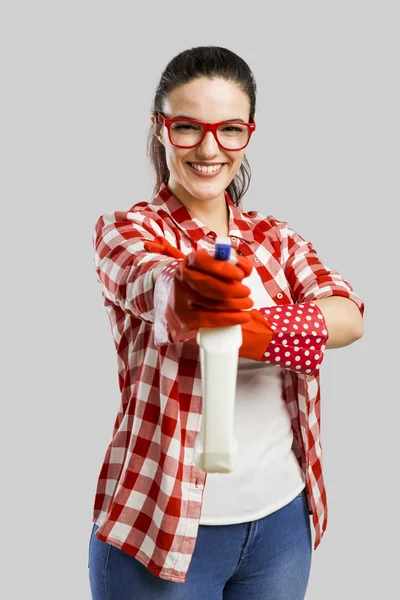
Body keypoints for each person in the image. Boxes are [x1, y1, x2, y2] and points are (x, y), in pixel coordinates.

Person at [88, 46, 365, 599]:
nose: (210, 148)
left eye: (230, 129)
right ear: (160, 129)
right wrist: (187, 290)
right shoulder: (126, 230)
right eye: (188, 127)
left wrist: (256, 329)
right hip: (161, 526)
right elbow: (151, 282)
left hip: (282, 521)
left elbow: (348, 316)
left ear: (248, 133)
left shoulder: (274, 237)